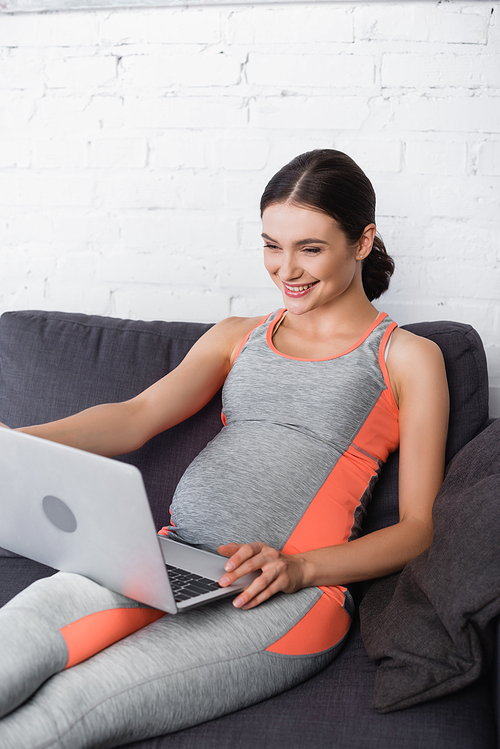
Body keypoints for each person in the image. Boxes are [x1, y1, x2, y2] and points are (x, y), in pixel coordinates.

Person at [0, 149, 449, 749]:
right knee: (13, 646)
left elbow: (420, 527)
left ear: (363, 241)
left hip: (286, 594)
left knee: (65, 709)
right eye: (271, 245)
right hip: (164, 559)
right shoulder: (238, 336)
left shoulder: (407, 357)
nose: (285, 269)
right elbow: (134, 418)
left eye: (309, 248)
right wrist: (10, 444)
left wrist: (302, 568)